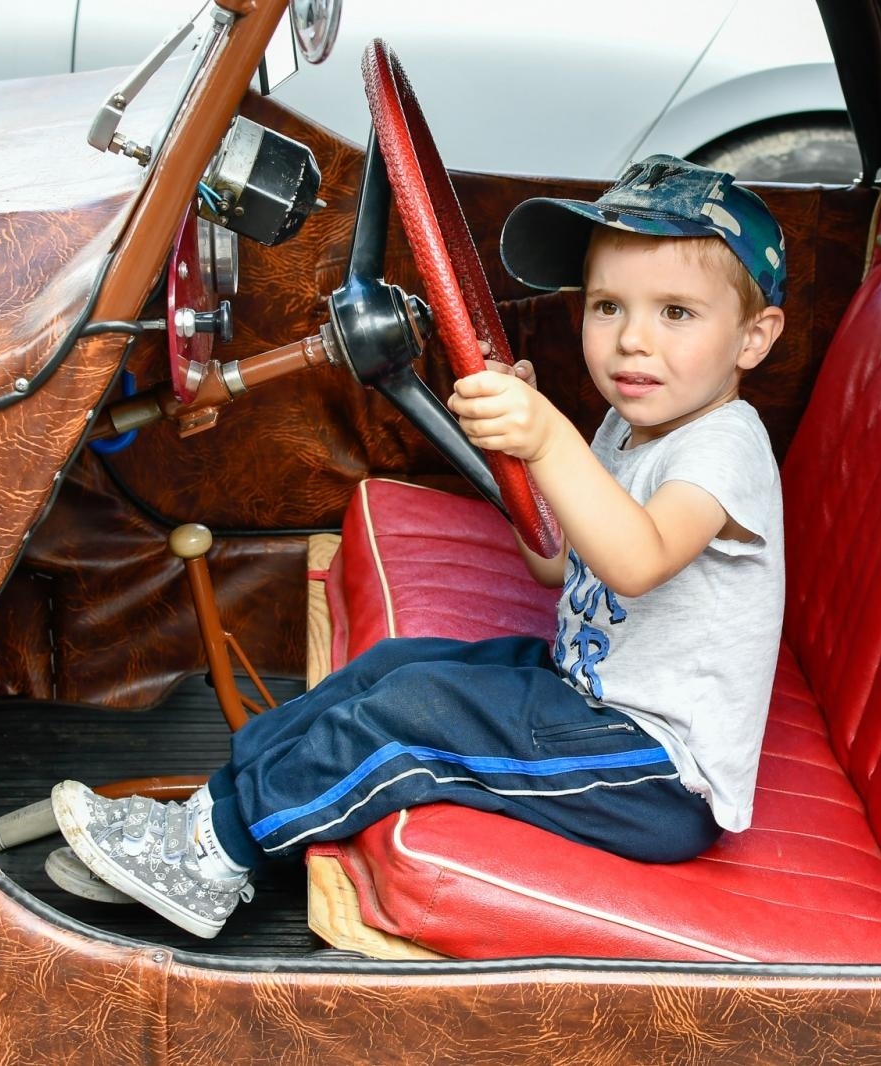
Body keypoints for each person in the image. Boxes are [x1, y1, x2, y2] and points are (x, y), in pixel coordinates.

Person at [50, 155, 789, 939]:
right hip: (590, 697)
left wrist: (547, 439)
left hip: (654, 773)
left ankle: (214, 859)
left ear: (753, 337)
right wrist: (520, 458)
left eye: (676, 313)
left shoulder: (724, 447)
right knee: (387, 670)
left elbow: (636, 562)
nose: (632, 340)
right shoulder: (630, 423)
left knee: (410, 717)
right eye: (608, 306)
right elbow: (552, 561)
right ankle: (210, 813)